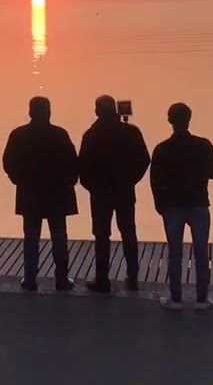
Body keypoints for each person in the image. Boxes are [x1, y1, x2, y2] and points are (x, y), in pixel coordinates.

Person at [150, 102, 213, 310]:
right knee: (201, 251)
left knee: (175, 252)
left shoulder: (162, 148)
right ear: (189, 119)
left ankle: (176, 299)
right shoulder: (203, 145)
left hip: (172, 206)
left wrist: (160, 205)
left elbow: (155, 180)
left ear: (169, 120)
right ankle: (202, 299)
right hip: (199, 203)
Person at [2, 96, 79, 292]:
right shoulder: (60, 134)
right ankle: (61, 279)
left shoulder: (18, 135)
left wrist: (17, 179)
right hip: (57, 194)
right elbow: (72, 162)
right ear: (49, 112)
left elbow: (8, 161)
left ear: (30, 112)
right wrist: (70, 181)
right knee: (59, 236)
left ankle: (30, 279)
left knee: (31, 237)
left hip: (30, 194)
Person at [78, 95, 151, 293]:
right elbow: (144, 159)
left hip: (100, 192)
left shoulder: (92, 135)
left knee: (101, 235)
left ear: (97, 111)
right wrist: (131, 179)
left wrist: (92, 186)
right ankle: (133, 277)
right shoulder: (131, 132)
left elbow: (81, 166)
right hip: (124, 190)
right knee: (129, 232)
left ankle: (102, 279)